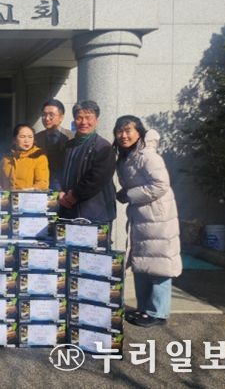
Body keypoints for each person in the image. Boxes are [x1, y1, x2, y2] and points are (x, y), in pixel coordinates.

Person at [114, 115, 182, 328]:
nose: (124, 135)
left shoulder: (147, 155)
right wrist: (124, 194)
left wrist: (129, 194)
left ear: (139, 133)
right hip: (141, 215)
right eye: (119, 131)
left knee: (159, 264)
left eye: (128, 130)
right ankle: (144, 309)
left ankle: (158, 313)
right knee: (142, 261)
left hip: (158, 217)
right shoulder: (127, 156)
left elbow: (161, 185)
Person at [58, 100, 116, 222]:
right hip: (69, 210)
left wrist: (74, 195)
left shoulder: (104, 147)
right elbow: (59, 172)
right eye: (79, 118)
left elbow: (96, 179)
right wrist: (60, 192)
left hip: (96, 213)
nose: (84, 122)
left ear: (96, 120)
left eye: (88, 118)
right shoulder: (69, 146)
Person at [34, 98, 73, 190]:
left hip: (66, 187)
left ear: (61, 117)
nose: (47, 118)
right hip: (42, 186)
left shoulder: (71, 137)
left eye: (51, 115)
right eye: (44, 115)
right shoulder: (35, 139)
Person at [0, 123, 49, 190]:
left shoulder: (39, 157)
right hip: (8, 196)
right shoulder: (6, 158)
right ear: (14, 139)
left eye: (30, 137)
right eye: (22, 137)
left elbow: (43, 183)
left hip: (28, 196)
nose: (27, 141)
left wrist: (29, 190)